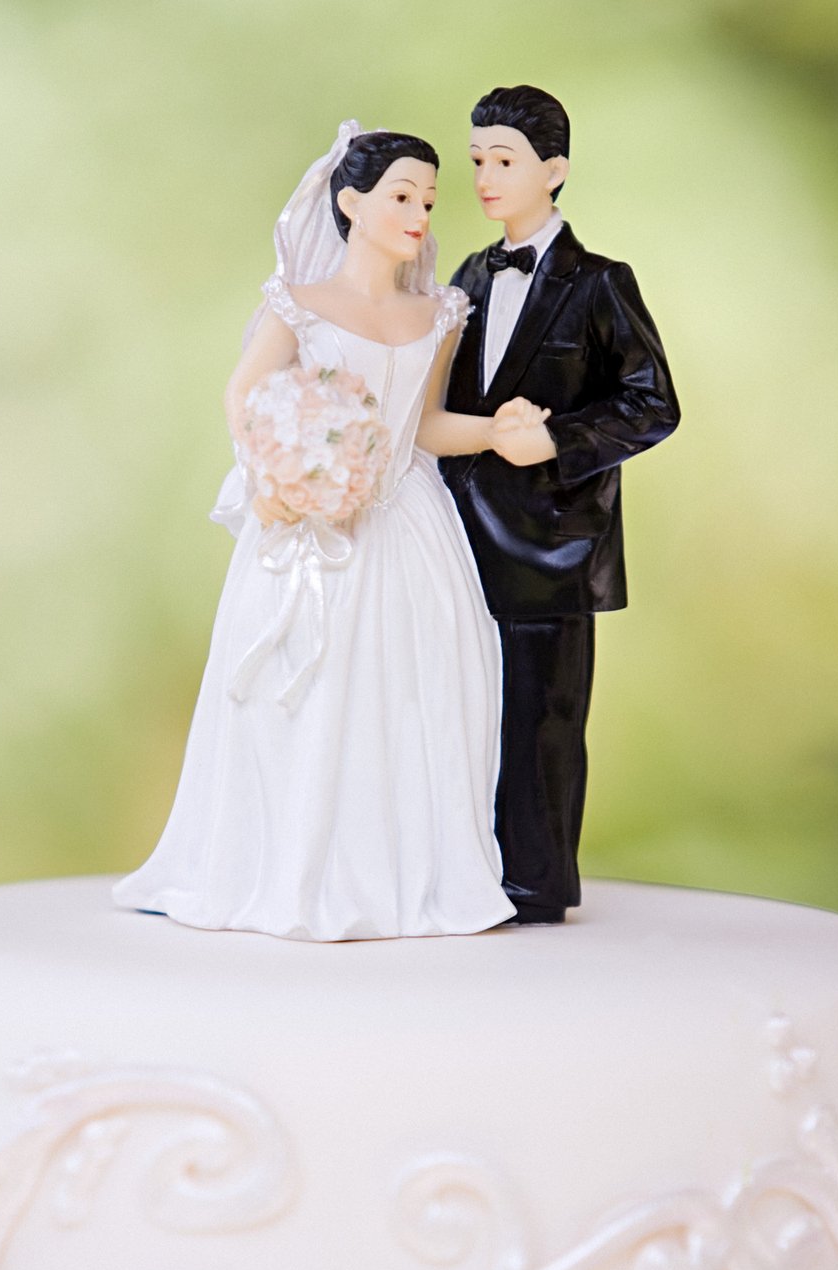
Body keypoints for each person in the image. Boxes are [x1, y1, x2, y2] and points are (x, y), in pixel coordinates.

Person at [114, 122, 555, 942]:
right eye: (400, 194)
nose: (419, 211)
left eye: (428, 196)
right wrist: (283, 479)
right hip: (307, 523)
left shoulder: (440, 311)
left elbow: (421, 426)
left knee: (409, 696)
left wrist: (493, 431)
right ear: (350, 202)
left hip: (405, 525)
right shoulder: (299, 306)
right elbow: (244, 396)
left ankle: (398, 872)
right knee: (303, 695)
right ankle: (282, 863)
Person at [440, 85, 680, 924]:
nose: (484, 177)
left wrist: (561, 441)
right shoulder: (469, 274)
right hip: (458, 535)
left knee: (542, 721)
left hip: (549, 544)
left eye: (502, 160)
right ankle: (461, 871)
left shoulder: (600, 285)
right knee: (462, 713)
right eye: (476, 161)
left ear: (554, 171)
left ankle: (535, 886)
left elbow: (652, 405)